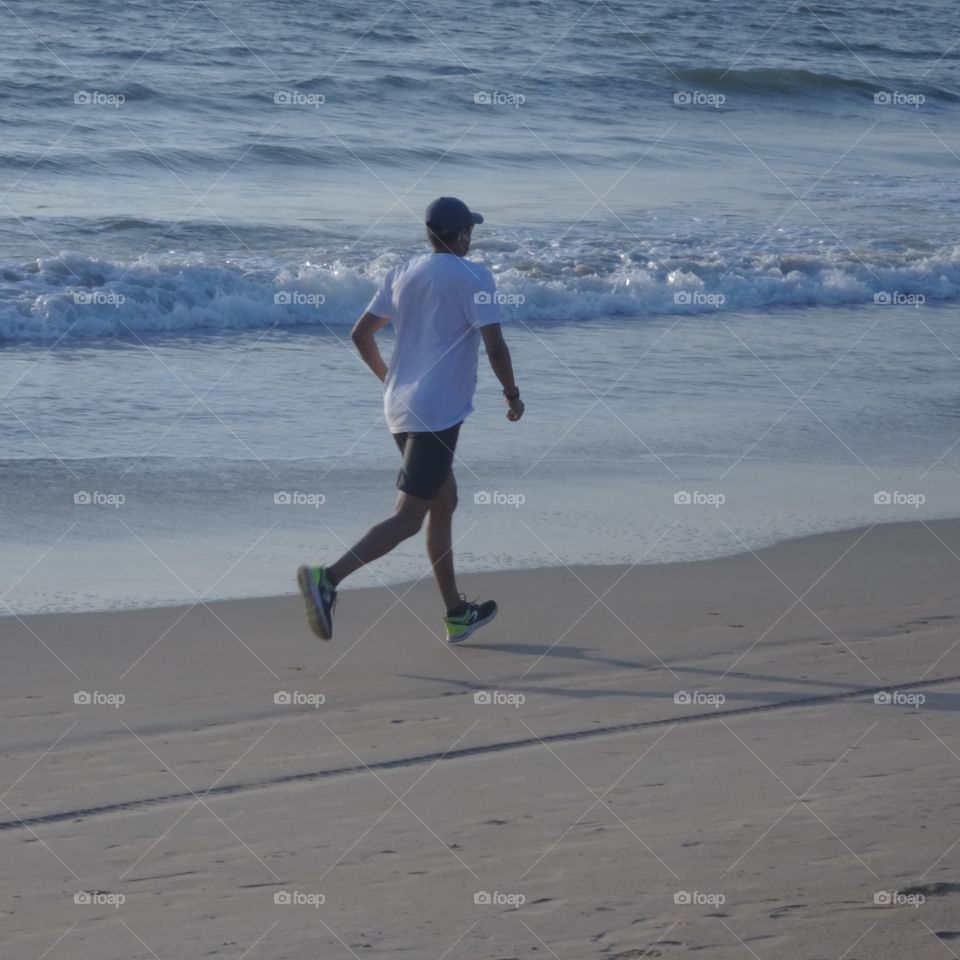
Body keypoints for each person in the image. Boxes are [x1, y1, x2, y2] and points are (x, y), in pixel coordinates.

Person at [298, 197, 524, 643]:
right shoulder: (475, 277)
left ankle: (457, 613)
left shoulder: (402, 272)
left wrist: (390, 380)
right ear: (460, 235)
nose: (472, 238)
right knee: (408, 517)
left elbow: (360, 334)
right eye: (470, 232)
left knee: (444, 502)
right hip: (436, 413)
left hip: (401, 408)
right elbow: (495, 345)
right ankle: (328, 580)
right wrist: (512, 394)